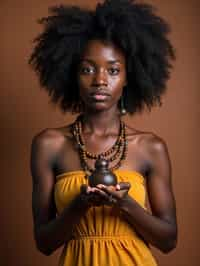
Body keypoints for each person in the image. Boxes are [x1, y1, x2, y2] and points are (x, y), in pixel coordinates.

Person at [29, 0, 177, 265]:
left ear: (129, 77)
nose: (99, 80)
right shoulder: (49, 144)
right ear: (72, 74)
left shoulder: (150, 147)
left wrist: (127, 205)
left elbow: (168, 241)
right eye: (87, 69)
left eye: (113, 70)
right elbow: (44, 243)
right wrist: (78, 205)